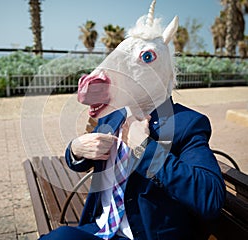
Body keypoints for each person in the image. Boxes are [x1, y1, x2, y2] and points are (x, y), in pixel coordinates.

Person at [39, 1, 226, 239]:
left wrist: (145, 149)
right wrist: (76, 149)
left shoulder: (187, 124)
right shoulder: (115, 114)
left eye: (147, 56)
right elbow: (83, 160)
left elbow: (211, 198)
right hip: (100, 229)